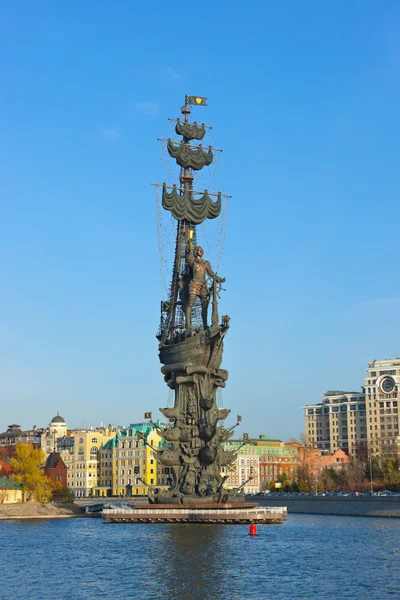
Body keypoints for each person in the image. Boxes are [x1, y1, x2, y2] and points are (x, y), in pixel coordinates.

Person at [182, 242, 225, 329]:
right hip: (194, 283)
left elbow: (211, 274)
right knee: (190, 303)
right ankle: (188, 324)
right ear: (196, 251)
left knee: (205, 306)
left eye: (202, 250)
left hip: (203, 285)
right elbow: (187, 255)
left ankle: (205, 325)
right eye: (199, 250)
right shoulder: (192, 261)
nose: (201, 251)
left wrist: (219, 279)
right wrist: (188, 248)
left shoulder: (206, 263)